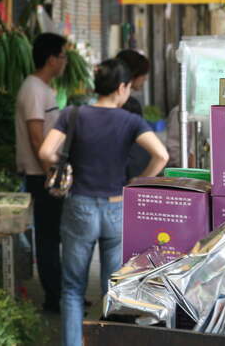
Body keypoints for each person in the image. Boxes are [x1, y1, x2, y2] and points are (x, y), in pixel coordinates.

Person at [38, 59, 168, 346]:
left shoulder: (73, 114)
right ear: (122, 87)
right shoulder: (131, 120)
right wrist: (137, 182)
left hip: (80, 206)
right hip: (115, 207)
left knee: (72, 288)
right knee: (113, 290)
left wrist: (62, 166)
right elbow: (161, 155)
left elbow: (46, 151)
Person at [15, 32, 68, 313]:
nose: (65, 62)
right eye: (62, 56)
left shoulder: (43, 88)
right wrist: (52, 175)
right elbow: (37, 138)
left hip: (45, 172)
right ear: (51, 59)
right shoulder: (34, 88)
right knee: (48, 237)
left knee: (53, 235)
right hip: (41, 174)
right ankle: (54, 298)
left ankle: (59, 293)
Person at [117, 49, 152, 181]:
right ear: (133, 75)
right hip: (127, 175)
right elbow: (161, 155)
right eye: (144, 74)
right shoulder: (131, 105)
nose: (145, 78)